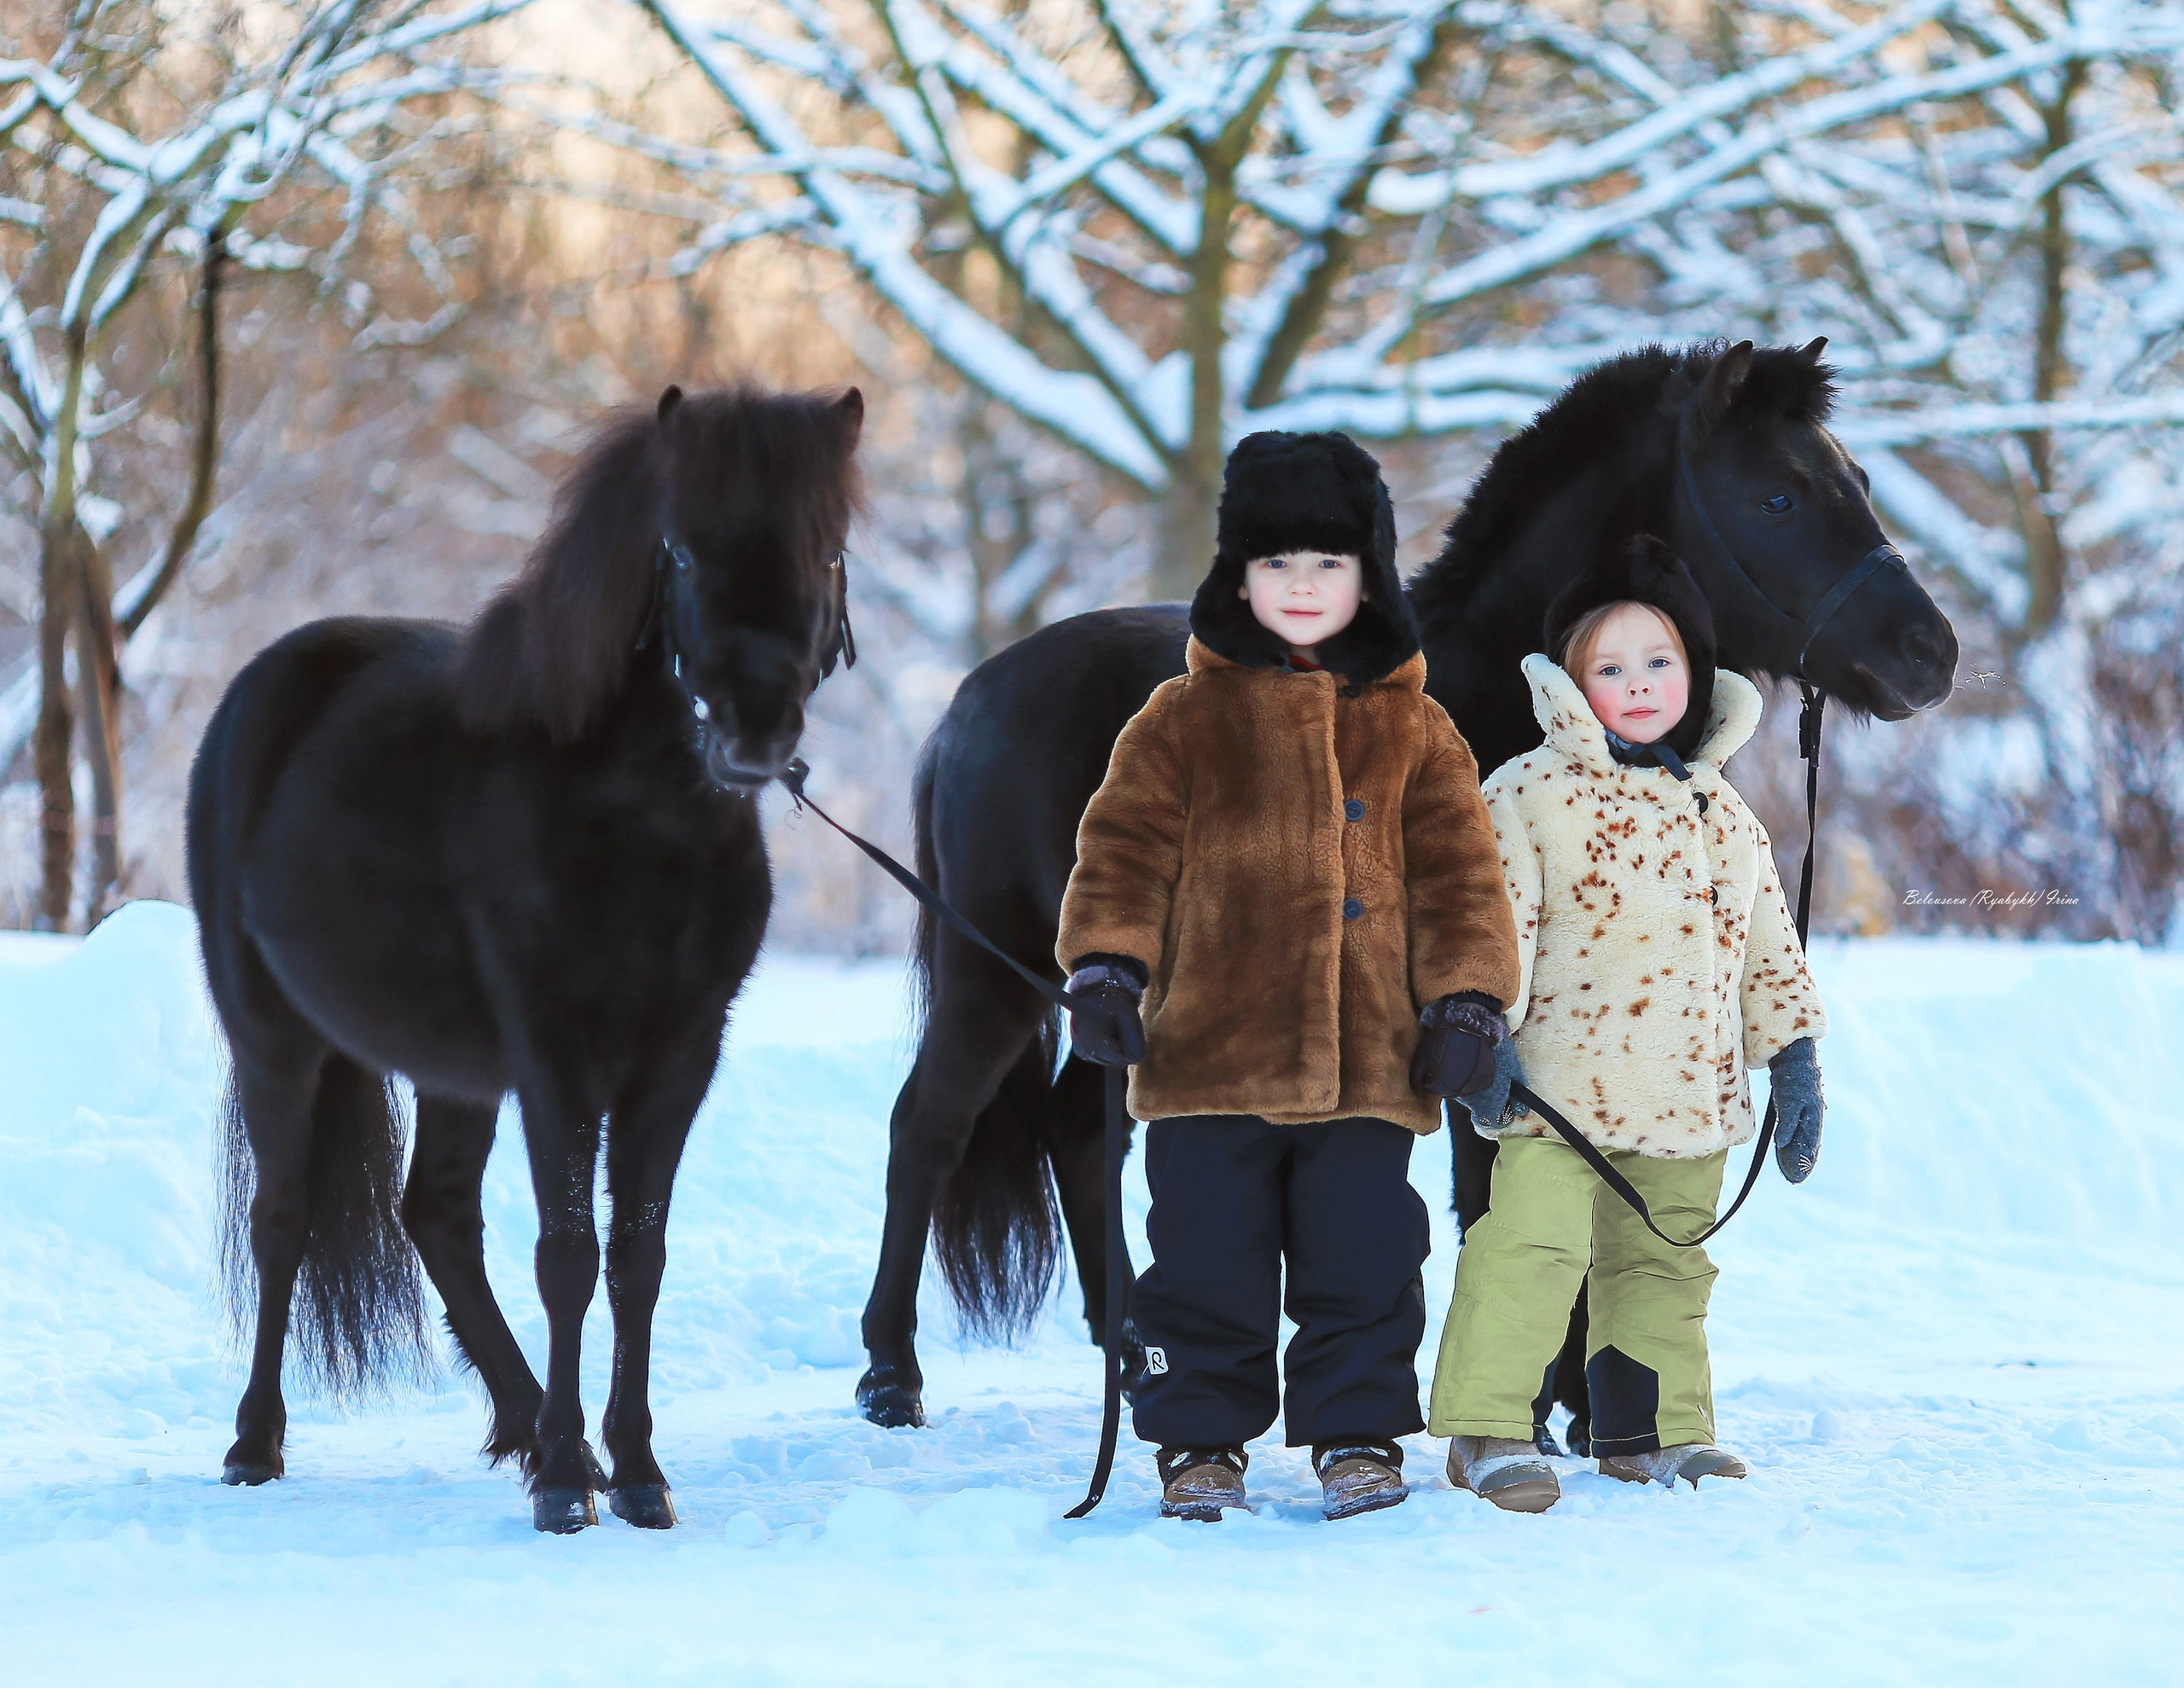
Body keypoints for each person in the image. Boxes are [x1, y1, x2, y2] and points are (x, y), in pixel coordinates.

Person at [1056, 430, 1520, 1523]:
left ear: (1368, 578)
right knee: (1202, 1261)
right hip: (1209, 1053)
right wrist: (1108, 969)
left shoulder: (1417, 728)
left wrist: (1466, 997)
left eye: (1328, 565)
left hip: (1370, 1059)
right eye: (1276, 565)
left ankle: (1356, 1432)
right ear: (1237, 577)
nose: (1301, 587)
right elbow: (1121, 850)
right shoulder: (1181, 720)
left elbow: (1464, 875)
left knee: (1363, 1256)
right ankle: (1200, 1441)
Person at [1426, 534, 1827, 1513]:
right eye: (1610, 666)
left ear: (1694, 672)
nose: (1639, 683)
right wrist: (1477, 1024)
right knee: (1529, 1248)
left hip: (1688, 1093)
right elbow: (1491, 917)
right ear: (1572, 681)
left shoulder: (1723, 810)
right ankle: (1487, 1428)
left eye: (1660, 661)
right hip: (1554, 1091)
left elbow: (1767, 946)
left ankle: (1653, 1434)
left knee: (1666, 1261)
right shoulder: (1529, 791)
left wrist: (1795, 1056)